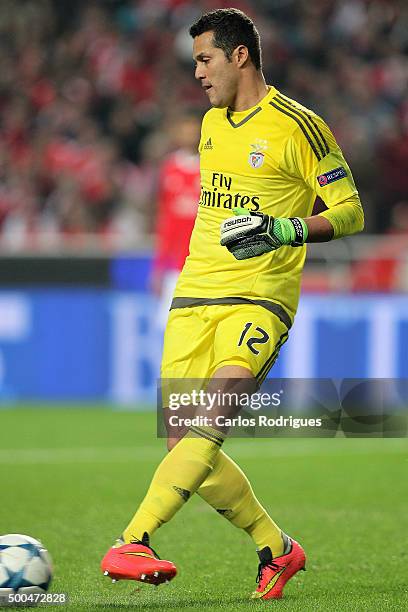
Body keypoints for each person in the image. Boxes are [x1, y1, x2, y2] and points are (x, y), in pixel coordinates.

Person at [101, 8, 364, 600]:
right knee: (182, 440)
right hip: (195, 292)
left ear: (239, 55)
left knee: (210, 421)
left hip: (259, 300)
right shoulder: (211, 125)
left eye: (204, 59)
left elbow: (351, 211)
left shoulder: (301, 126)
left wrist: (285, 230)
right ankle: (276, 547)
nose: (196, 72)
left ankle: (134, 538)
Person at [151, 112, 201, 329]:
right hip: (176, 268)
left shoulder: (211, 166)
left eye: (193, 130)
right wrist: (159, 266)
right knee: (173, 328)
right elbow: (165, 221)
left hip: (204, 264)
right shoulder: (169, 168)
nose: (189, 135)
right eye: (185, 130)